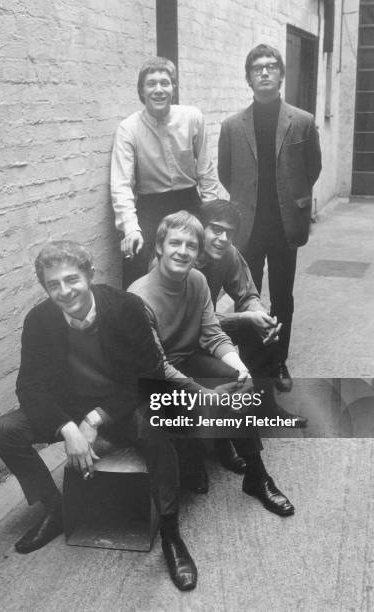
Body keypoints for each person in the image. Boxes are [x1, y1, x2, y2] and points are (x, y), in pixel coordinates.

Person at [0, 241, 197, 591]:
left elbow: (149, 376)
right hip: (69, 408)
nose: (64, 291)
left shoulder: (126, 307)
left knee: (156, 427)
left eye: (72, 279)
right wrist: (68, 428)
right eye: (53, 285)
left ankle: (171, 534)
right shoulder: (39, 320)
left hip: (123, 404)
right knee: (4, 430)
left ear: (90, 275)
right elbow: (30, 388)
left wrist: (96, 419)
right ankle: (55, 509)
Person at [128, 212, 295, 517]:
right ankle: (191, 459)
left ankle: (257, 478)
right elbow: (158, 365)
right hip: (154, 379)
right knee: (202, 402)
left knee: (238, 383)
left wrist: (239, 367)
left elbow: (212, 333)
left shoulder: (198, 280)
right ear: (159, 247)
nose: (182, 251)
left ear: (198, 250)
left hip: (188, 359)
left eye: (191, 245)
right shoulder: (138, 298)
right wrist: (203, 393)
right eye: (175, 243)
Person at [218, 43, 322, 392]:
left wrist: (292, 199)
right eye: (257, 67)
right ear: (248, 77)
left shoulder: (302, 122)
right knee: (248, 296)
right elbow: (225, 173)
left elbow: (312, 168)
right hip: (248, 226)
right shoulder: (232, 125)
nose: (264, 72)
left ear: (280, 74)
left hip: (284, 227)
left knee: (282, 297)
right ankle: (250, 361)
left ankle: (277, 362)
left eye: (271, 66)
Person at [197, 198, 308, 432]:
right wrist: (245, 318)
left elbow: (246, 295)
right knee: (244, 333)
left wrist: (261, 316)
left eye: (229, 233)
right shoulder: (181, 255)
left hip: (210, 330)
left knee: (260, 328)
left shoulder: (227, 252)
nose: (223, 239)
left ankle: (265, 408)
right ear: (199, 227)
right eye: (216, 229)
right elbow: (195, 322)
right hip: (182, 341)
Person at [111, 56, 219, 288]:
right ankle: (138, 319)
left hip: (189, 200)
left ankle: (204, 315)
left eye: (165, 83)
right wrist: (130, 228)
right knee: (135, 257)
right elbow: (121, 185)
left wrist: (211, 217)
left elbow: (206, 173)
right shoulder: (128, 129)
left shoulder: (193, 118)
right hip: (151, 205)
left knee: (207, 255)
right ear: (141, 90)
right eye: (151, 84)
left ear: (173, 88)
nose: (158, 90)